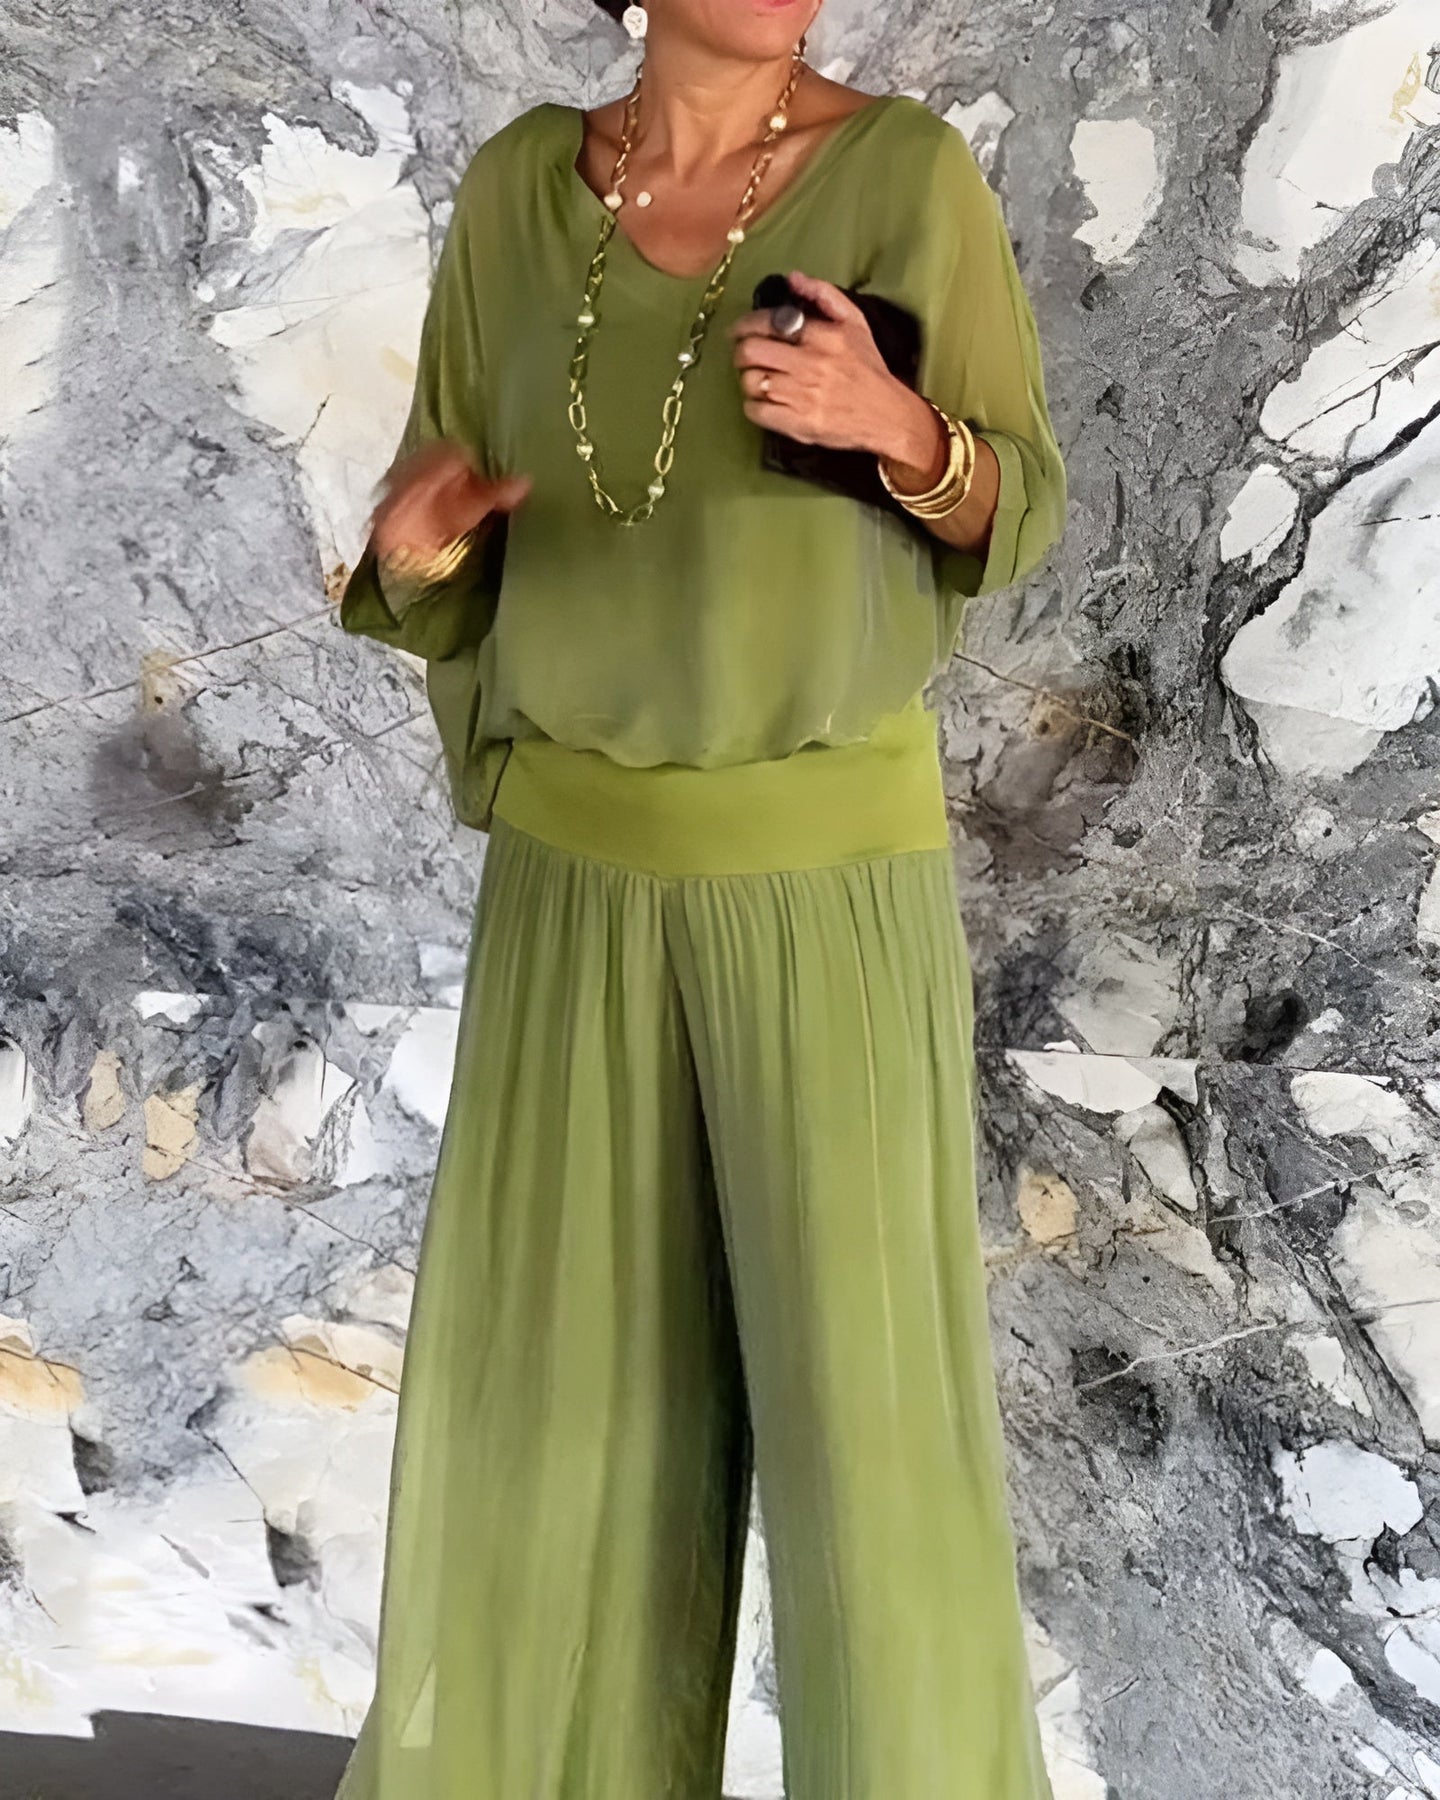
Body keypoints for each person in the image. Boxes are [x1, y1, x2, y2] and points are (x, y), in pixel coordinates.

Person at [333, 0, 1067, 1794]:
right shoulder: (517, 193)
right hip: (571, 884)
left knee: (868, 1451)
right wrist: (415, 549)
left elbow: (1022, 508)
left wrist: (905, 432)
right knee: (558, 1425)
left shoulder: (905, 176)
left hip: (823, 885)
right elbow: (444, 545)